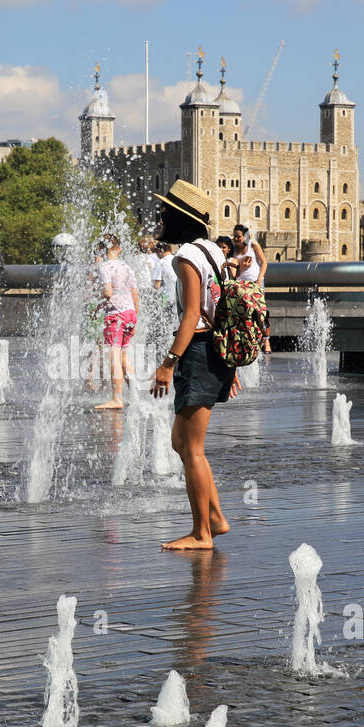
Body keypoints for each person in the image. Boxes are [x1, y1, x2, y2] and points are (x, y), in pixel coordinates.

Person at [149, 180, 239, 550]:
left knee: (193, 447)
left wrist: (168, 363)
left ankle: (202, 533)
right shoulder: (214, 252)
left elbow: (191, 317)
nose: (161, 217)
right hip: (214, 350)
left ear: (178, 218)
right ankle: (214, 517)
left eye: (165, 212)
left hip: (198, 349)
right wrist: (228, 364)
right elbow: (226, 308)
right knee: (180, 442)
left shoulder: (187, 256)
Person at [94, 235, 140, 410]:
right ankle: (136, 395)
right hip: (129, 314)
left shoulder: (104, 266)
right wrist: (135, 317)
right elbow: (135, 294)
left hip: (116, 316)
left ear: (102, 250)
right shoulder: (127, 267)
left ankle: (117, 398)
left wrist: (97, 302)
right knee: (123, 357)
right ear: (119, 248)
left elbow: (107, 292)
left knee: (113, 356)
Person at [230, 225, 270, 352]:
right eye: (235, 236)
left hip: (255, 283)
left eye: (239, 236)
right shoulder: (232, 248)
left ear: (245, 237)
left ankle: (266, 340)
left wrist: (259, 279)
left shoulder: (253, 245)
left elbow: (264, 262)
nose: (236, 239)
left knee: (260, 312)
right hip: (240, 284)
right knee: (242, 313)